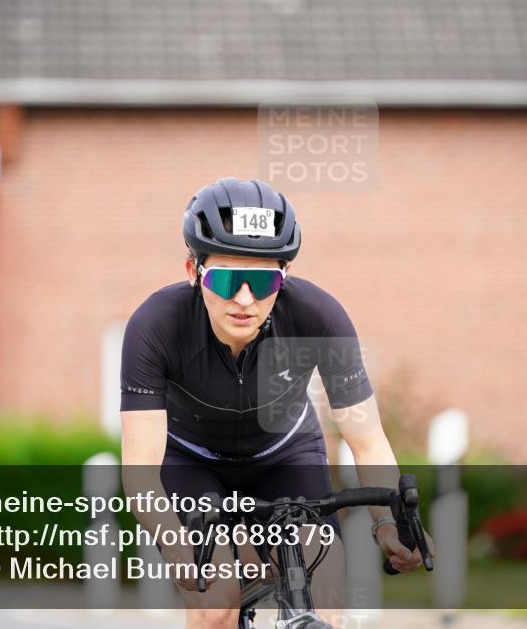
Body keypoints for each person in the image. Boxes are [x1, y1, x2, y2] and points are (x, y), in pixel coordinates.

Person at [121, 177, 431, 629]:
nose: (244, 299)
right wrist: (173, 542)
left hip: (285, 455)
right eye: (226, 279)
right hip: (190, 461)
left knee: (324, 597)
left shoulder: (319, 316)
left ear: (283, 277)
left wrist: (388, 525)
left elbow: (367, 440)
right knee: (216, 604)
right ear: (193, 272)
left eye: (263, 280)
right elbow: (141, 467)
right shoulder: (155, 326)